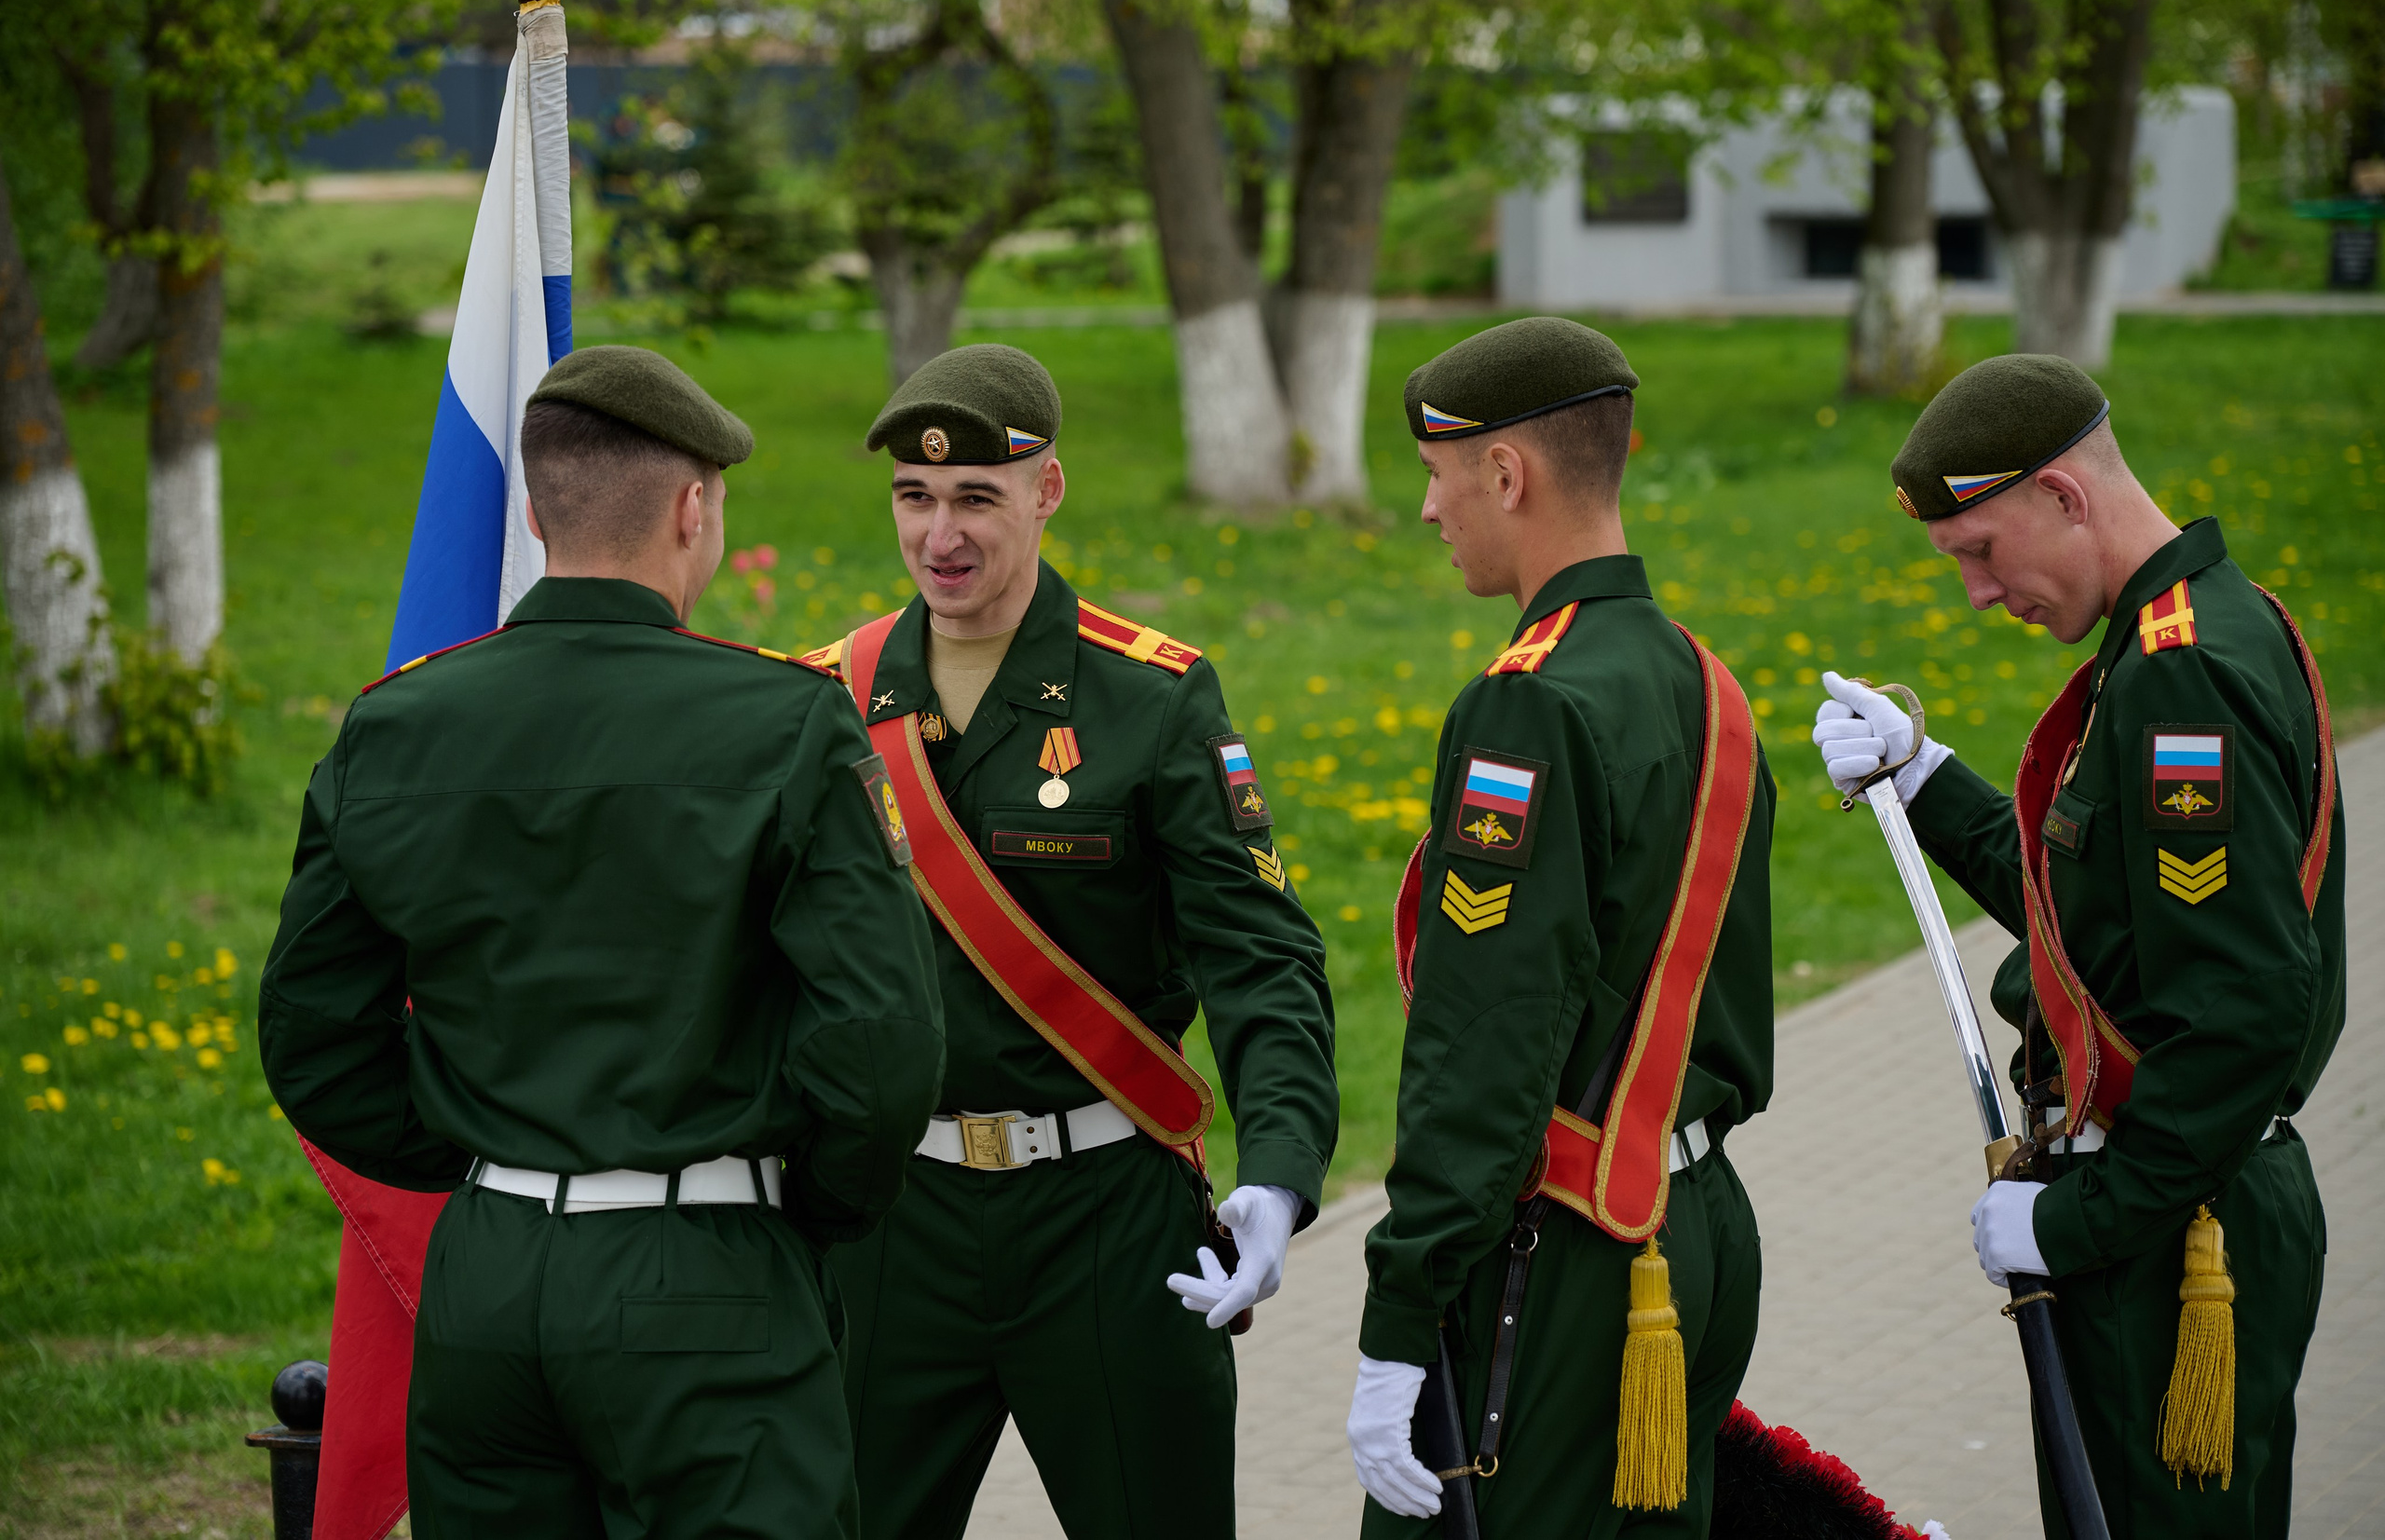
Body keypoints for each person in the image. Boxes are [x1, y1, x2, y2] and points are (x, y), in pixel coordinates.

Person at [257, 345, 947, 1540]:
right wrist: (807, 1205)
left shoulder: (395, 725)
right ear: (693, 509)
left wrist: (480, 1156)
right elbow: (881, 1042)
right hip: (709, 1269)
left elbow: (313, 1033)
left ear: (533, 510)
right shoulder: (781, 724)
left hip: (483, 1279)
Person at [799, 343, 1339, 1540]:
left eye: (975, 499)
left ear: (1046, 492)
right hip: (892, 1226)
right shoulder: (826, 700)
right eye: (914, 498)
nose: (941, 535)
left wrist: (1279, 1172)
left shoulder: (1153, 698)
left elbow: (1260, 953)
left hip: (1103, 1217)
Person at [1813, 354, 2341, 1538]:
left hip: (2174, 1224)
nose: (1978, 597)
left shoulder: (2180, 678)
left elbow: (2245, 1010)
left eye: (1980, 553)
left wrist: (2079, 1222)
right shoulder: (2198, 628)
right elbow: (2101, 925)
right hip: (2187, 1196)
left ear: (2062, 494)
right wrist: (1926, 778)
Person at [1347, 317, 1776, 1538]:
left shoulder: (1527, 706)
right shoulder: (1705, 678)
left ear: (1506, 473)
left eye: (1437, 475)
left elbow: (1483, 1040)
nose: (1429, 509)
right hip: (1694, 1229)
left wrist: (1398, 1307)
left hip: (1566, 1259)